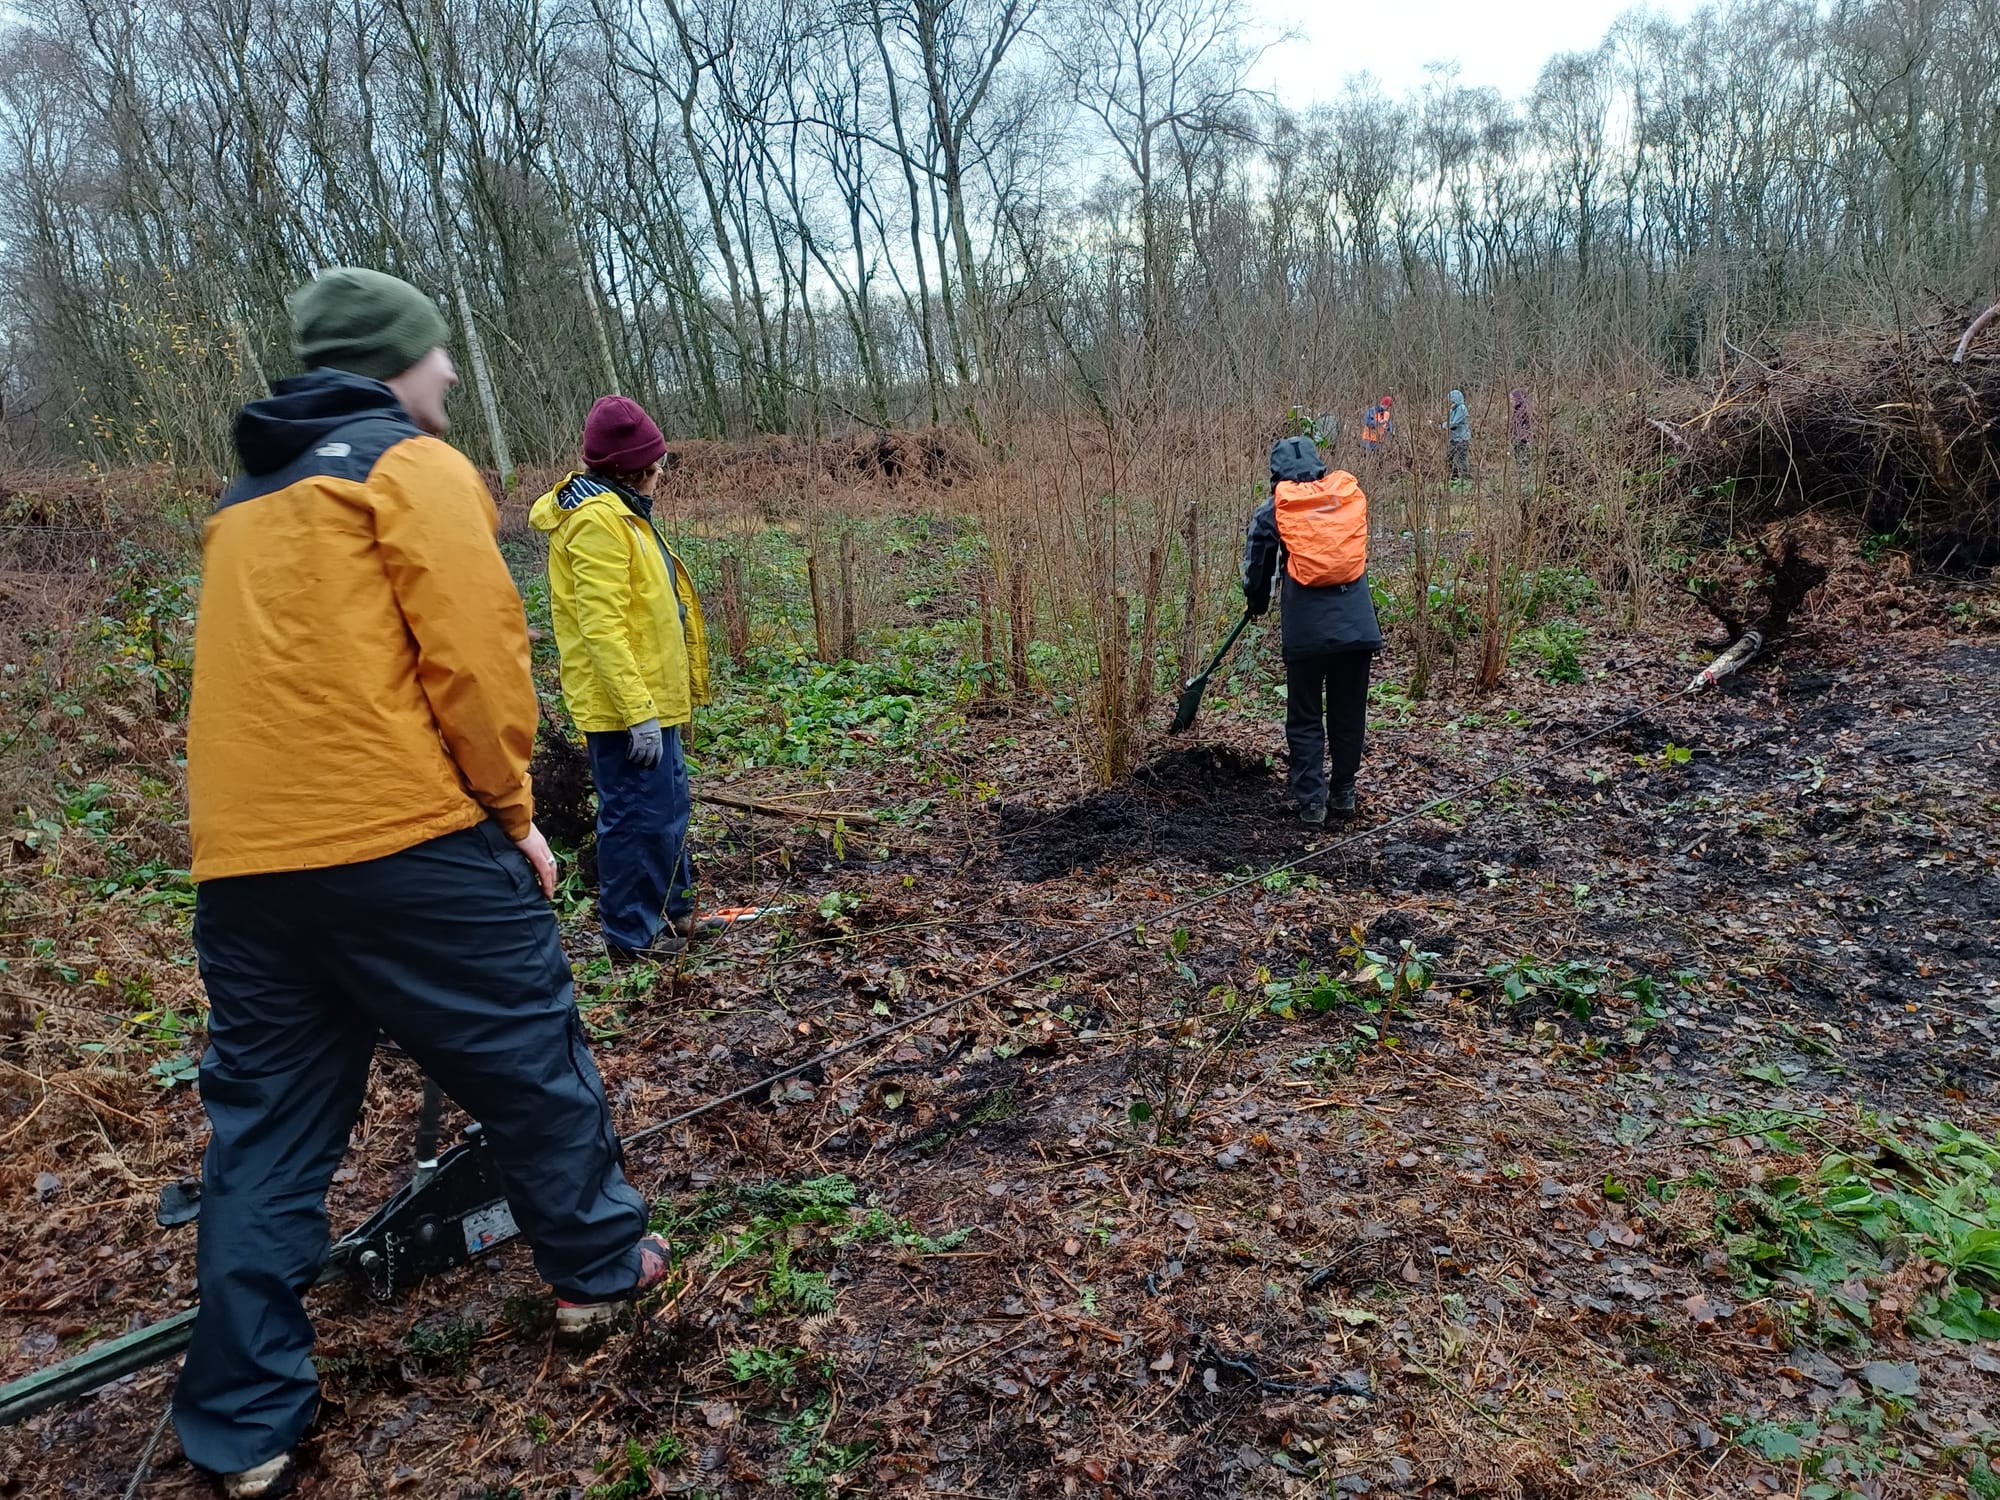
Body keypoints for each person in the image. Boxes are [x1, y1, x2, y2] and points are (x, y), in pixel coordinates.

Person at [181, 269, 670, 1500]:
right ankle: (600, 1279)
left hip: (245, 873)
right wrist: (513, 817)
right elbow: (477, 659)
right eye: (437, 352)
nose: (449, 371)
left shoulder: (247, 499)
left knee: (263, 1141)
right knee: (527, 1057)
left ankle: (243, 1428)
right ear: (394, 361)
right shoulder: (407, 468)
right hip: (403, 843)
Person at [530, 397, 710, 965]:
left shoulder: (623, 512)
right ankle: (632, 938)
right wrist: (638, 712)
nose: (661, 476)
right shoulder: (596, 523)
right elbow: (601, 627)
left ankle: (673, 911)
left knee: (669, 809)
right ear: (637, 468)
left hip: (654, 699)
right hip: (625, 709)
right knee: (636, 820)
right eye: (656, 466)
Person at [1243, 435, 1384, 825]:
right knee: (1348, 709)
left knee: (1305, 714)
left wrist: (1256, 602)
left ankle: (1311, 804)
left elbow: (1258, 566)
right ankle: (1343, 792)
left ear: (1276, 474)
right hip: (1357, 627)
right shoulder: (1344, 497)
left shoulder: (1276, 509)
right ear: (1320, 466)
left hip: (1307, 630)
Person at [1445, 388, 1471, 479]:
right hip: (1453, 438)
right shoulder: (1452, 410)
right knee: (1449, 458)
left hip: (1462, 438)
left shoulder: (1462, 409)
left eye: (1451, 400)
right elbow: (1449, 421)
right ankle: (1454, 477)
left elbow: (1454, 423)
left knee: (1461, 459)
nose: (1450, 403)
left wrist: (1443, 426)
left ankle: (1466, 479)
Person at [1509, 386, 1534, 465]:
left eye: (1512, 399)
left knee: (1523, 462)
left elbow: (1526, 426)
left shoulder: (1524, 410)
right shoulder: (1517, 410)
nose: (1511, 401)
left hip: (1523, 441)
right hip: (1518, 441)